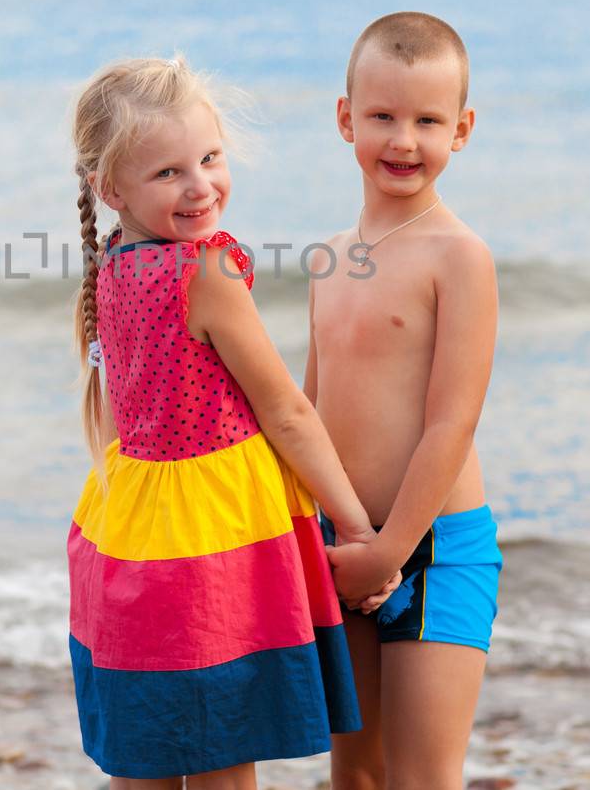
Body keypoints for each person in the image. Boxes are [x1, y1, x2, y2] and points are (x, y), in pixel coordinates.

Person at [66, 56, 398, 789]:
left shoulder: (112, 264)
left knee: (145, 751)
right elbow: (286, 411)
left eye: (210, 158)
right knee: (225, 748)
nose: (200, 185)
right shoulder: (207, 272)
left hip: (130, 530)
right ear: (110, 186)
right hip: (214, 539)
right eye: (169, 173)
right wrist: (355, 524)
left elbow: (128, 413)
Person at [309, 13, 503, 790]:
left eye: (427, 120)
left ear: (461, 129)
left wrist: (390, 553)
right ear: (346, 118)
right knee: (356, 773)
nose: (403, 139)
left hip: (436, 547)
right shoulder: (328, 258)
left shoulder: (460, 257)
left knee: (423, 776)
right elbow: (308, 406)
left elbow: (453, 420)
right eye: (383, 116)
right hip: (341, 539)